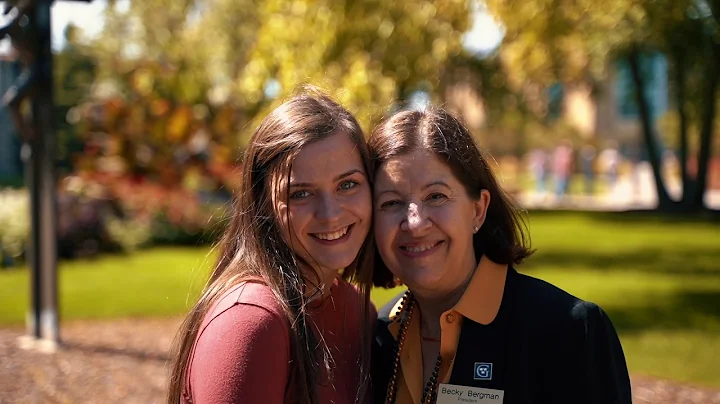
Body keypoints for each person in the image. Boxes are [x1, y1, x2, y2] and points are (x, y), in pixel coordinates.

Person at [369, 107, 631, 404]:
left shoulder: (568, 332)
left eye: (436, 196)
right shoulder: (377, 334)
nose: (414, 223)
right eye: (391, 203)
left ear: (478, 210)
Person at [167, 87, 376, 404]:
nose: (331, 214)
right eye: (300, 194)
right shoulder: (250, 322)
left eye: (347, 185)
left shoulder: (356, 309)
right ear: (264, 205)